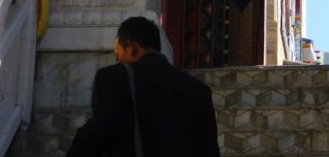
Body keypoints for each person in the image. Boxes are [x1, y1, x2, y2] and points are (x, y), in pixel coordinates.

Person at [67, 15, 220, 157]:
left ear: (132, 47)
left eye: (118, 55)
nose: (118, 61)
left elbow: (96, 135)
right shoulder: (199, 90)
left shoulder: (115, 77)